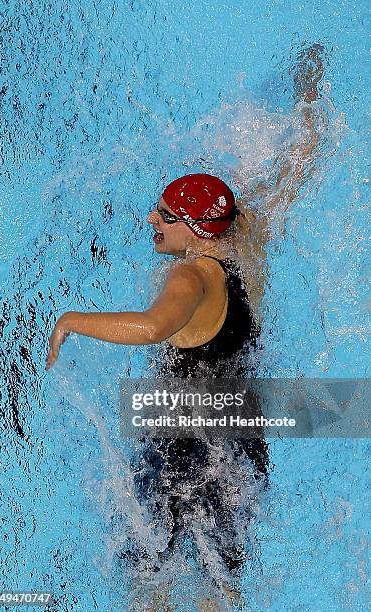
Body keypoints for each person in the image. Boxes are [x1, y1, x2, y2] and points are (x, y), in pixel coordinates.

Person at [46, 44, 326, 610]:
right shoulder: (245, 242)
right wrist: (309, 104)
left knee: (149, 582)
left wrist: (73, 320)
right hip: (243, 430)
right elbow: (294, 174)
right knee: (221, 583)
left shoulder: (190, 277)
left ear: (196, 230)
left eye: (166, 215)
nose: (152, 219)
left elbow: (152, 328)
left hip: (182, 437)